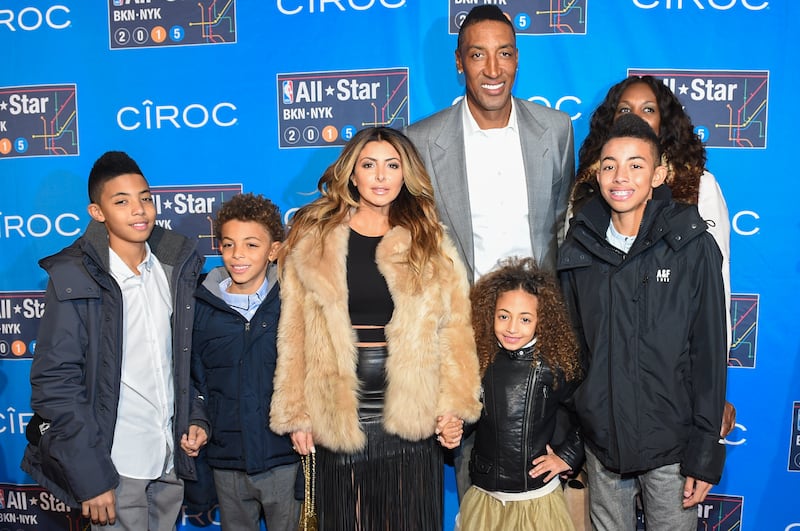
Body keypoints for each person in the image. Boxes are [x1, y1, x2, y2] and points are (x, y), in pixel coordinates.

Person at [269, 126, 482, 530]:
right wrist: (295, 413)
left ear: (406, 174)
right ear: (352, 173)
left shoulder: (429, 242)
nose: (381, 176)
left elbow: (455, 331)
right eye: (369, 165)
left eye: (392, 165)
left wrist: (454, 407)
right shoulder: (315, 240)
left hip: (410, 414)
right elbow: (293, 331)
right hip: (337, 412)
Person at [405, 3, 576, 501]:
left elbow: (564, 226)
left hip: (539, 329)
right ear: (460, 62)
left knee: (542, 472)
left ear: (518, 58)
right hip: (467, 330)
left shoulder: (557, 129)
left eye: (504, 54)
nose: (493, 69)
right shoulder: (422, 140)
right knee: (473, 472)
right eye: (478, 55)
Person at [21, 151, 207, 530]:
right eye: (121, 201)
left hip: (169, 460)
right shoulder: (74, 276)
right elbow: (56, 384)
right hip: (114, 466)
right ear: (98, 212)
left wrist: (195, 416)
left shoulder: (174, 268)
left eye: (145, 198)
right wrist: (91, 478)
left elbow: (185, 362)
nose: (138, 210)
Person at [558, 114, 727, 530]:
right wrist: (573, 441)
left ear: (659, 174)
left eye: (636, 164)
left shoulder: (691, 246)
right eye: (610, 164)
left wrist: (704, 453)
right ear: (597, 174)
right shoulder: (578, 247)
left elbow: (708, 354)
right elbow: (571, 353)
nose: (621, 176)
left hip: (672, 448)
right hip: (602, 448)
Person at [189, 193, 300, 530]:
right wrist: (199, 423)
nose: (238, 255)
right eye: (228, 244)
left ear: (274, 250)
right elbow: (194, 381)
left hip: (284, 457)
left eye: (251, 245)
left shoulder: (294, 302)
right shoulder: (200, 306)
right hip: (227, 459)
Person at [459, 257, 582, 531]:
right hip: (485, 499)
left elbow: (589, 413)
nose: (512, 328)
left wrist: (568, 456)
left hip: (536, 502)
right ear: (489, 312)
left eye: (525, 319)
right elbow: (468, 414)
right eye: (503, 316)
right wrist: (452, 425)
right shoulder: (479, 359)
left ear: (543, 320)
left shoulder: (555, 364)